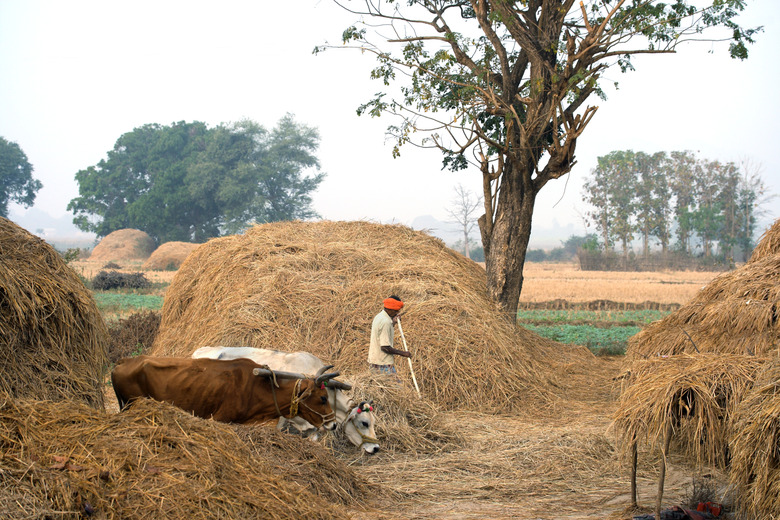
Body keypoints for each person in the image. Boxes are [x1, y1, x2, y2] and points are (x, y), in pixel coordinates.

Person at [368, 295, 412, 376]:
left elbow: (383, 332)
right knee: (396, 388)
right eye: (396, 311)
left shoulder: (379, 316)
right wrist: (403, 353)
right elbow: (385, 347)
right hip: (383, 365)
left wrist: (393, 322)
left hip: (375, 362)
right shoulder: (386, 322)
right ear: (389, 309)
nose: (397, 313)